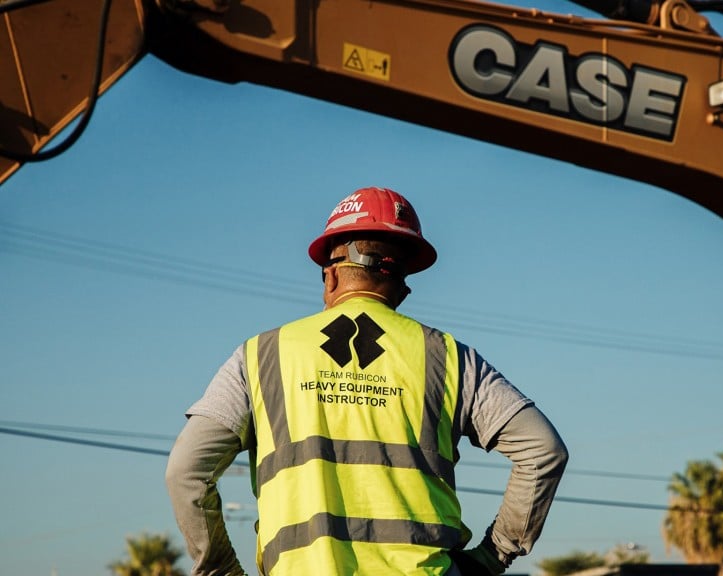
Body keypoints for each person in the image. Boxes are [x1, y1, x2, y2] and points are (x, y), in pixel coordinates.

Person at [166, 186, 569, 575]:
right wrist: (490, 558)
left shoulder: (260, 356)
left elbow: (186, 471)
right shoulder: (450, 358)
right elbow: (543, 451)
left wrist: (220, 571)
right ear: (402, 282)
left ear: (331, 276)